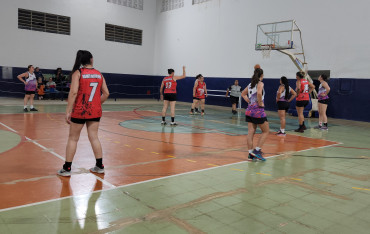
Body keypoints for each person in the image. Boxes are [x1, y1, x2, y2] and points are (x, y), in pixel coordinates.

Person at [57, 50, 110, 177]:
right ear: (91, 59)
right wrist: (96, 104)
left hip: (80, 110)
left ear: (80, 61)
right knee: (94, 137)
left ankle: (67, 168)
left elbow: (73, 92)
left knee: (73, 139)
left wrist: (68, 110)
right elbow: (106, 93)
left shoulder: (78, 73)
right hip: (94, 111)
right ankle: (99, 166)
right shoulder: (99, 74)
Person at [241, 68, 269, 161]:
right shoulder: (260, 83)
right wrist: (260, 103)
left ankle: (250, 154)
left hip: (249, 111)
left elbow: (243, 94)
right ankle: (257, 151)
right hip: (258, 111)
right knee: (265, 131)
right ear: (262, 75)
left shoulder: (250, 84)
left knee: (250, 132)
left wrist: (249, 101)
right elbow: (259, 93)